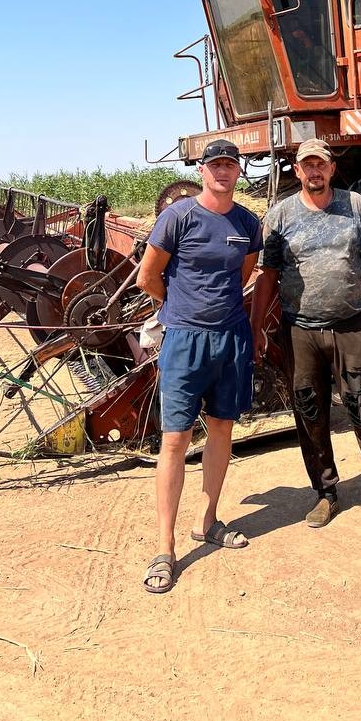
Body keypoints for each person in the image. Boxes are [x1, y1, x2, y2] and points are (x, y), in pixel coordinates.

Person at [250, 138, 361, 529]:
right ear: (297, 171)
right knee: (310, 413)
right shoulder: (280, 215)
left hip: (353, 326)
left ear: (331, 169)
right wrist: (257, 324)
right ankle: (325, 494)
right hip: (301, 331)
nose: (314, 172)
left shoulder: (355, 206)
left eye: (321, 165)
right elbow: (268, 275)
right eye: (307, 165)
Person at [137, 139, 262, 593]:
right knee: (175, 439)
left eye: (231, 165)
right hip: (184, 342)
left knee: (223, 428)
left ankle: (207, 521)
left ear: (238, 171)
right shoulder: (178, 216)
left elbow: (244, 273)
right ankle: (165, 549)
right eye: (216, 165)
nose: (223, 172)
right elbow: (148, 276)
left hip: (231, 338)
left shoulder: (247, 222)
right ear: (202, 170)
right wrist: (181, 311)